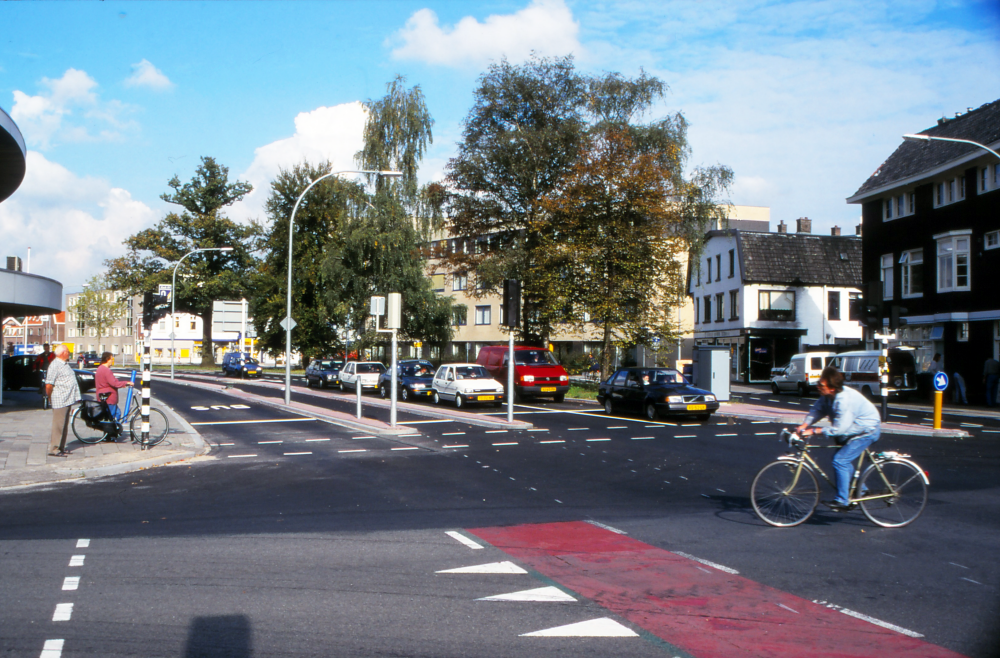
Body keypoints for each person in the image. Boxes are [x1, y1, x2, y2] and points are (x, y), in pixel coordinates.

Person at [796, 366, 881, 512]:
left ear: (832, 388)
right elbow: (818, 409)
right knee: (842, 459)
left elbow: (839, 429)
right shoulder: (826, 396)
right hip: (852, 429)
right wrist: (803, 425)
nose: (818, 387)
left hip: (867, 430)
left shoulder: (843, 401)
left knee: (840, 460)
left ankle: (843, 501)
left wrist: (814, 431)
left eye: (821, 385)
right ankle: (862, 489)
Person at [44, 345, 81, 457]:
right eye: (68, 352)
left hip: (67, 399)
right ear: (63, 352)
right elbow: (49, 384)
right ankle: (54, 449)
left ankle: (61, 447)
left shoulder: (64, 364)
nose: (69, 353)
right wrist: (50, 396)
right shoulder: (55, 365)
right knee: (58, 425)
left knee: (64, 425)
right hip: (60, 399)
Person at [95, 352, 131, 422]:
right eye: (111, 359)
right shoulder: (106, 370)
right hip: (109, 398)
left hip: (102, 397)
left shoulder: (99, 369)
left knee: (117, 413)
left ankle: (111, 430)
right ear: (107, 359)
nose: (112, 361)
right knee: (113, 416)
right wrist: (126, 383)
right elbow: (114, 383)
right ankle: (111, 431)